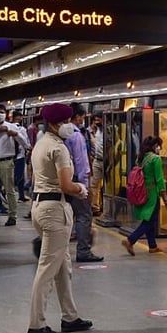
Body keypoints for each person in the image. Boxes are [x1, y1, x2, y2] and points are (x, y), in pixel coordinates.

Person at [27, 103, 93, 333]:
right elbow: (66, 185)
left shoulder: (40, 144)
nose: (71, 126)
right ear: (56, 124)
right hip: (55, 210)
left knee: (63, 266)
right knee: (47, 269)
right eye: (67, 121)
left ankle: (70, 317)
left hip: (40, 206)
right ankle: (36, 325)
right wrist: (81, 189)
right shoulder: (59, 149)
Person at [65, 103, 101, 262]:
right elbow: (81, 163)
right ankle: (84, 251)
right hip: (76, 181)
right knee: (84, 215)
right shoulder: (76, 135)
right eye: (82, 117)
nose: (82, 120)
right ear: (78, 117)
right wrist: (84, 187)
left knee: (64, 216)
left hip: (63, 179)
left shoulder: (61, 134)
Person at [121, 136, 167, 255]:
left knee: (149, 219)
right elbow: (159, 179)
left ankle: (152, 246)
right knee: (150, 221)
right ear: (154, 146)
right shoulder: (155, 159)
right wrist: (164, 196)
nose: (160, 148)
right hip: (152, 194)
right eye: (158, 146)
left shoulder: (141, 158)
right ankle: (130, 240)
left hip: (142, 192)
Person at [89, 113, 104, 216]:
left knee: (106, 186)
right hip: (97, 160)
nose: (97, 122)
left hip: (107, 161)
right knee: (94, 184)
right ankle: (95, 207)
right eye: (95, 120)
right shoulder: (96, 131)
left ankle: (104, 206)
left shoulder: (108, 130)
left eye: (99, 120)